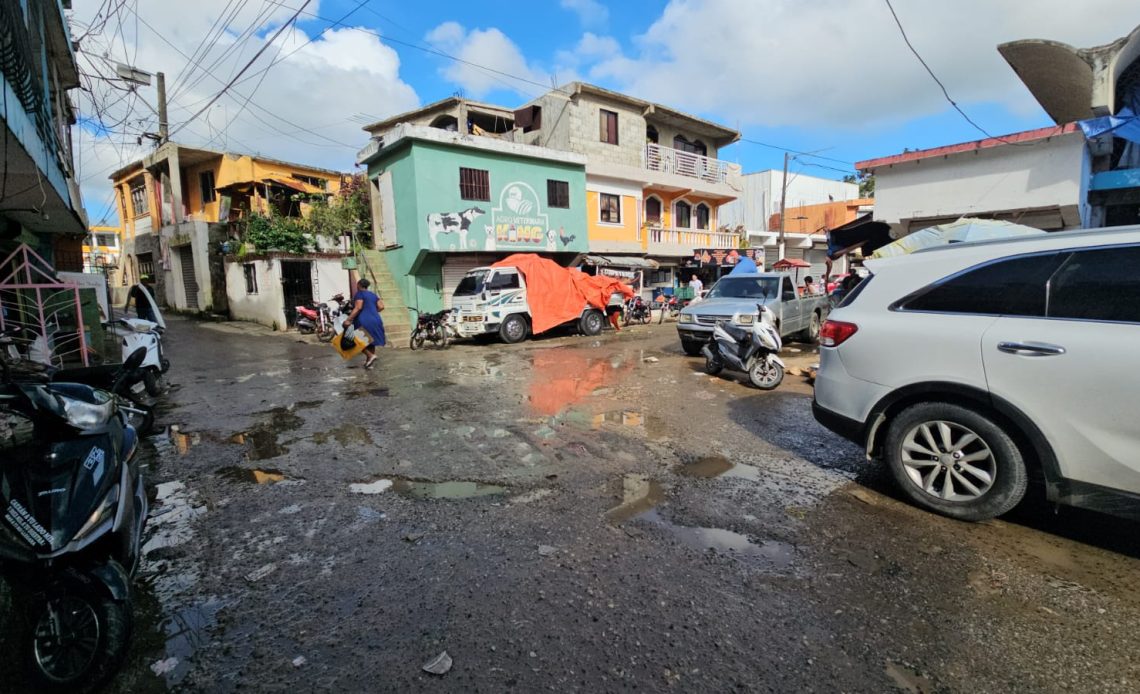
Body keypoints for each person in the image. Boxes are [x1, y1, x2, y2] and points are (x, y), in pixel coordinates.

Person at [342, 278, 386, 369]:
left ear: (359, 285)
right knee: (370, 341)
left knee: (354, 338)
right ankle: (369, 362)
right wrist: (372, 311)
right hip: (376, 319)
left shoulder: (359, 294)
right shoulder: (373, 295)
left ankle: (370, 356)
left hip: (364, 319)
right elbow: (381, 307)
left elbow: (358, 307)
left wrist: (348, 319)